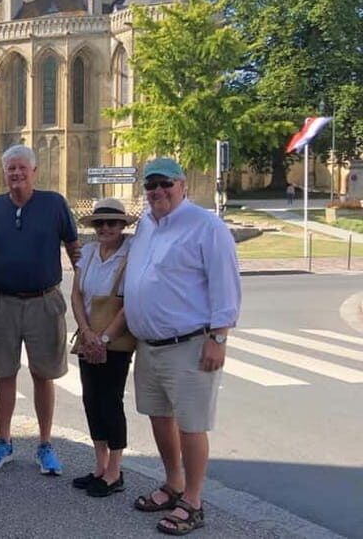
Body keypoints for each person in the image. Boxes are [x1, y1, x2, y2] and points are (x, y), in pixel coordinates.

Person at [124, 158, 241, 536]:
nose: (157, 191)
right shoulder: (146, 224)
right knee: (159, 416)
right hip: (150, 344)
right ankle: (173, 482)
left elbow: (225, 285)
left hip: (189, 343)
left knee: (191, 425)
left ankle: (193, 499)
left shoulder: (206, 226)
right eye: (150, 185)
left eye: (164, 184)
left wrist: (218, 338)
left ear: (183, 185)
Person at [0, 145, 79, 476]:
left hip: (44, 302)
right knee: (4, 373)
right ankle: (3, 441)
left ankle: (45, 444)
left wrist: (86, 293)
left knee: (43, 375)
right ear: (4, 173)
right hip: (1, 302)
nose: (16, 174)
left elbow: (75, 250)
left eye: (21, 168)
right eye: (10, 169)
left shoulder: (54, 204)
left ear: (34, 171)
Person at [70, 198, 137, 498]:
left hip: (115, 340)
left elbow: (128, 304)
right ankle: (100, 464)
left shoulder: (131, 254)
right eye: (100, 223)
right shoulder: (87, 253)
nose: (105, 228)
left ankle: (115, 470)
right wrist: (86, 332)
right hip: (89, 335)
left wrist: (105, 338)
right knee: (91, 399)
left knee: (111, 401)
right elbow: (76, 295)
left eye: (112, 223)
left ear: (123, 226)